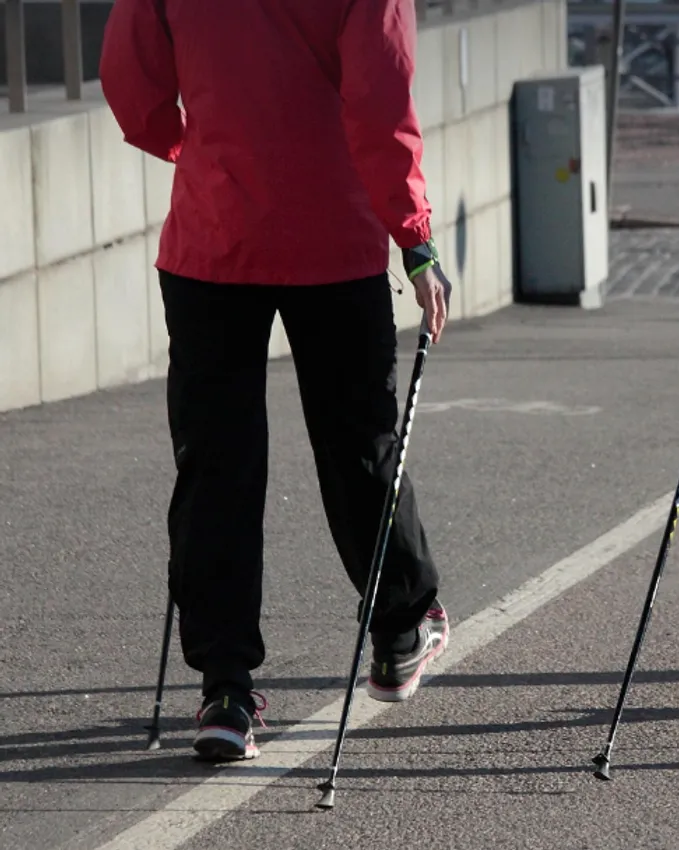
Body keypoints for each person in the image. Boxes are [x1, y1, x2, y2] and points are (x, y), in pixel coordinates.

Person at [99, 0, 453, 762]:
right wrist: (415, 238)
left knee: (215, 463)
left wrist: (200, 148)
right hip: (334, 235)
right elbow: (380, 102)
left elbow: (132, 87)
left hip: (212, 235)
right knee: (358, 441)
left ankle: (225, 689)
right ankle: (398, 625)